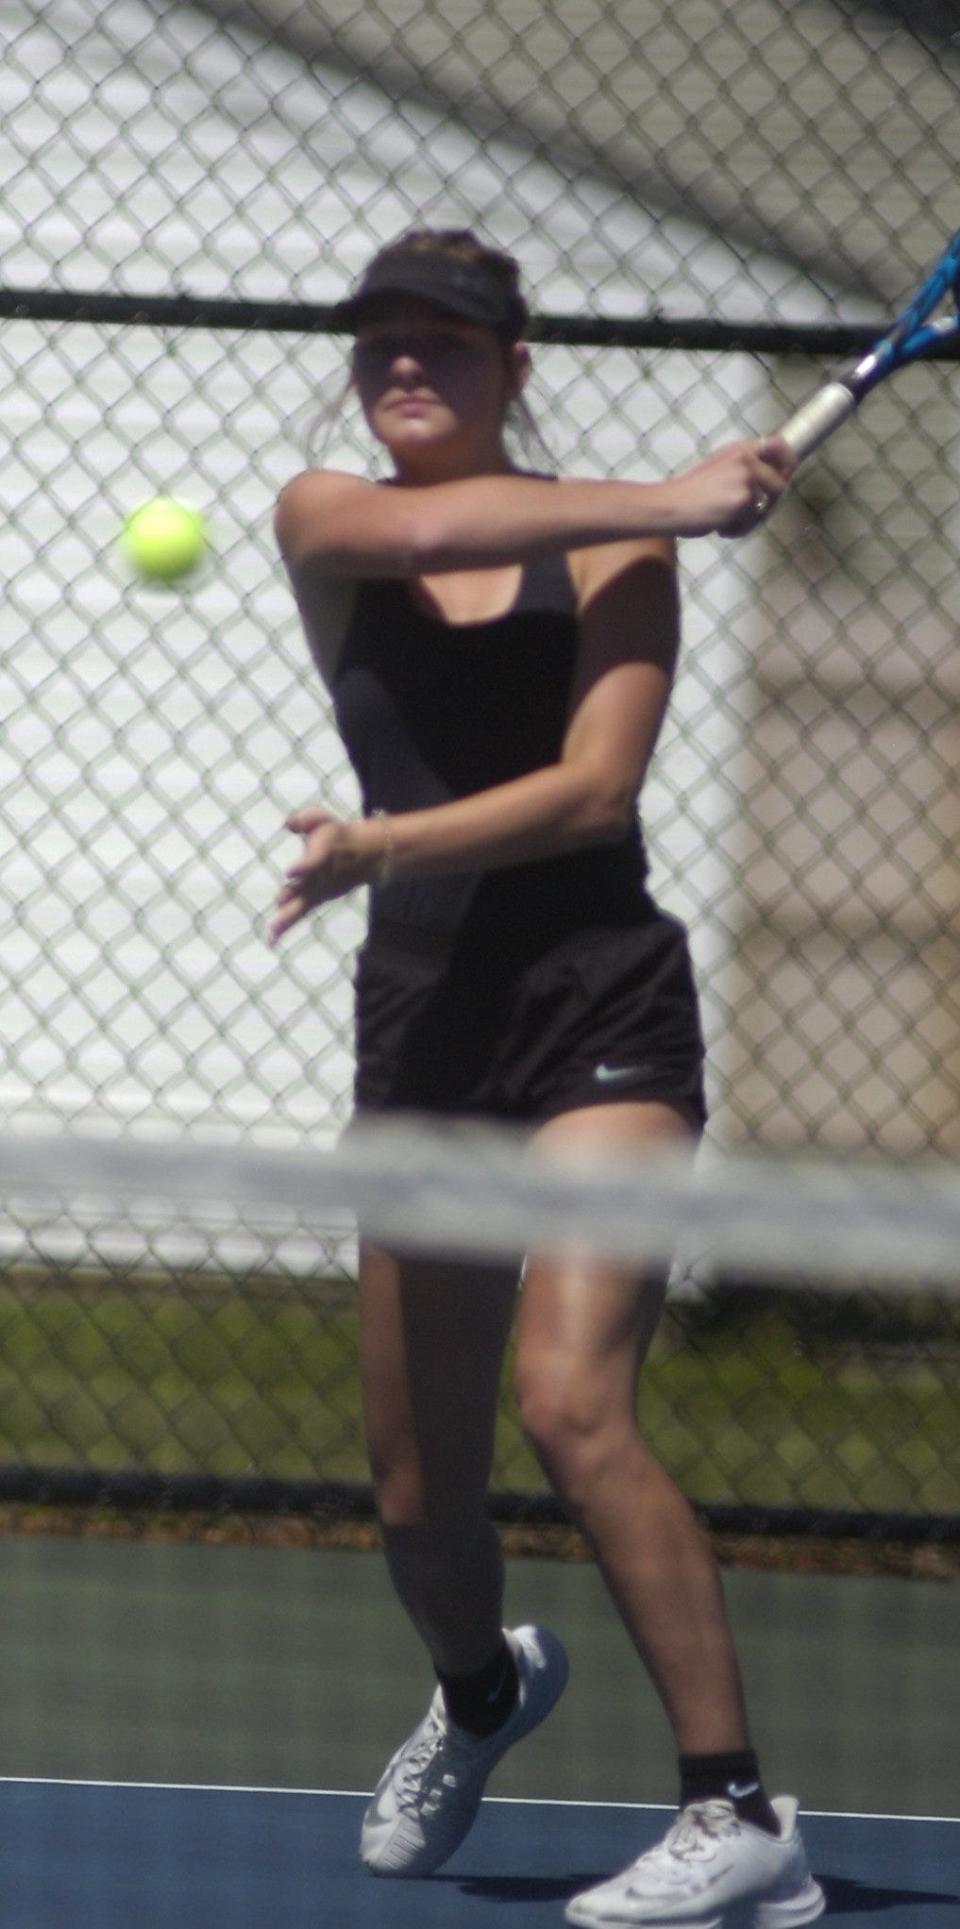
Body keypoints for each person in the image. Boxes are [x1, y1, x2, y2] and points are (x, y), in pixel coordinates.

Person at [270, 228, 824, 1928]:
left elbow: (595, 794)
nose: (406, 360)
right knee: (421, 1494)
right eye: (382, 338)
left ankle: (737, 1814)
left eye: (448, 337)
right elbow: (432, 525)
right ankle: (486, 1686)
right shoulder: (325, 514)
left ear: (519, 364)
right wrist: (662, 490)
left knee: (572, 1402)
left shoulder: (617, 555)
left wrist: (388, 838)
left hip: (599, 1007)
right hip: (424, 1019)